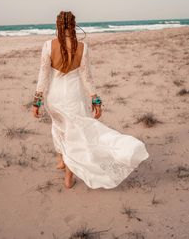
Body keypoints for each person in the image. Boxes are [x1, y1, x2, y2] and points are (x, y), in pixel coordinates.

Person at [33, 11, 149, 189]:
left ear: (57, 25)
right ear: (73, 25)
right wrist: (95, 100)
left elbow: (43, 74)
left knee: (60, 127)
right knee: (75, 134)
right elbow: (87, 78)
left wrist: (37, 100)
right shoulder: (82, 47)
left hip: (54, 98)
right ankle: (67, 174)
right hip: (75, 97)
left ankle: (63, 161)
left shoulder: (48, 45)